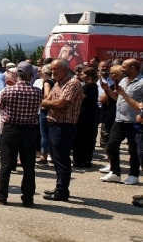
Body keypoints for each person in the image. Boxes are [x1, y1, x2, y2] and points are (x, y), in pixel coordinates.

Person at [0, 62, 42, 206]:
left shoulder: (9, 90)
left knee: (6, 164)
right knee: (29, 166)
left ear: (17, 75)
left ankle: (2, 195)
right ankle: (27, 198)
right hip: (30, 130)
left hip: (11, 129)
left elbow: (0, 105)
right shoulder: (37, 92)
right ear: (31, 75)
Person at [41, 57, 84, 201]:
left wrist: (48, 103)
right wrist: (48, 103)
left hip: (64, 126)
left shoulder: (73, 83)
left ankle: (62, 192)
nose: (53, 72)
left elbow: (59, 103)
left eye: (56, 69)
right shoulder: (59, 83)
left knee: (61, 159)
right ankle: (59, 187)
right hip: (54, 124)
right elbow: (48, 99)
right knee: (56, 158)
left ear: (65, 69)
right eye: (52, 69)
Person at [99, 58, 142, 185]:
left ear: (133, 68)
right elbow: (117, 98)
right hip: (119, 119)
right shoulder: (123, 80)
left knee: (133, 150)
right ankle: (115, 172)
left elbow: (140, 105)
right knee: (111, 145)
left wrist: (124, 94)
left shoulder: (141, 83)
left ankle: (134, 174)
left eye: (124, 66)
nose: (122, 69)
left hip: (133, 121)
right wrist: (107, 90)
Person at [72, 67, 100, 168]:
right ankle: (87, 160)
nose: (81, 76)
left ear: (88, 76)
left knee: (80, 138)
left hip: (84, 115)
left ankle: (79, 160)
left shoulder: (88, 87)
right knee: (88, 138)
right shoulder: (94, 86)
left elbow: (79, 98)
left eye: (83, 74)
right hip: (91, 114)